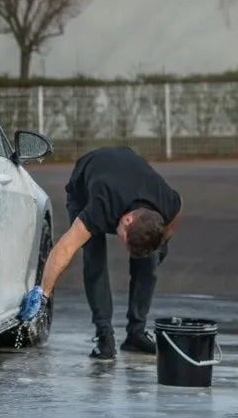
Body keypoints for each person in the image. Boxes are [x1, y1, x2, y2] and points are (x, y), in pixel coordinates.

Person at [20, 146, 183, 360]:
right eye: (125, 241)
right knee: (94, 259)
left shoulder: (166, 202)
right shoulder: (101, 205)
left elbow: (178, 210)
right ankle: (104, 335)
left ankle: (136, 334)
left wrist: (162, 244)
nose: (123, 247)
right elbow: (65, 248)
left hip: (129, 177)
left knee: (148, 262)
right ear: (127, 219)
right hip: (85, 190)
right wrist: (43, 294)